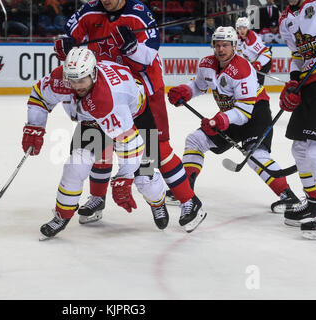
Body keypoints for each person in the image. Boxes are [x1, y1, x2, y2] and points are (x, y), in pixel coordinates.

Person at [22, 48, 205, 239]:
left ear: (93, 73)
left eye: (81, 80)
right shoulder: (62, 78)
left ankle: (157, 202)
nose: (76, 86)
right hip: (93, 117)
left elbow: (131, 145)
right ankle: (63, 215)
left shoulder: (107, 99)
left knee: (144, 176)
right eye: (72, 80)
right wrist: (34, 126)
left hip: (137, 117)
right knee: (75, 165)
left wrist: (123, 179)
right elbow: (39, 95)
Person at [54, 0, 204, 229]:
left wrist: (132, 47)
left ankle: (188, 200)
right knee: (98, 143)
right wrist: (66, 45)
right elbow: (69, 37)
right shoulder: (89, 10)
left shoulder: (139, 14)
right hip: (103, 90)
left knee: (155, 150)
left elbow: (149, 55)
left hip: (142, 93)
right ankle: (97, 199)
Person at [166, 26, 300, 214]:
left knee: (256, 155)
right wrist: (186, 91)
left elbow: (245, 111)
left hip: (255, 113)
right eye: (218, 45)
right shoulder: (206, 63)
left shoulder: (242, 69)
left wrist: (219, 121)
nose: (221, 49)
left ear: (234, 46)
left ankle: (288, 196)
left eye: (226, 45)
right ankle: (185, 189)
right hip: (230, 114)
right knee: (195, 140)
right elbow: (199, 84)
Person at [278, 0, 316, 239]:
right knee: (299, 147)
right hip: (309, 84)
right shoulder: (285, 19)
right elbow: (298, 54)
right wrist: (293, 81)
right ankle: (313, 202)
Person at [236, 17, 272, 86]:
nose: (242, 31)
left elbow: (266, 53)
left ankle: (261, 96)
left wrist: (258, 63)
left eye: (244, 28)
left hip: (264, 62)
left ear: (248, 28)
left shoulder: (252, 39)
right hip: (253, 63)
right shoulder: (238, 39)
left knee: (255, 85)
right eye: (240, 28)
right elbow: (238, 53)